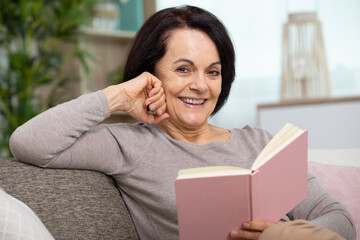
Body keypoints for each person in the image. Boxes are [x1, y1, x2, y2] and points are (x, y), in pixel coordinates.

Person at [9, 5, 355, 240]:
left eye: (213, 72)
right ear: (150, 73)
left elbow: (339, 219)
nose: (201, 86)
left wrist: (277, 235)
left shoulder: (260, 142)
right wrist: (116, 97)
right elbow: (28, 143)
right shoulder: (128, 145)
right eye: (183, 69)